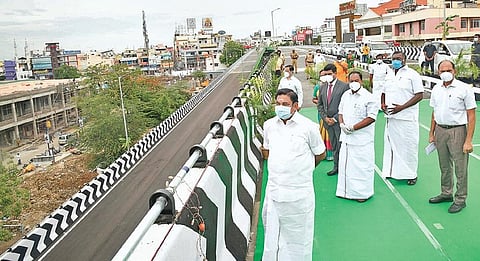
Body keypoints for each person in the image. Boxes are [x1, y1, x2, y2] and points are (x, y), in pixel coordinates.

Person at [262, 88, 326, 260]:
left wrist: (302, 170)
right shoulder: (268, 126)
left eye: (285, 104)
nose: (280, 107)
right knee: (272, 234)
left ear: (295, 106)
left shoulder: (309, 127)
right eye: (278, 104)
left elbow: (321, 153)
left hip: (299, 192)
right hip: (275, 190)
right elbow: (266, 151)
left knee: (299, 237)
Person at [428, 60, 476, 213]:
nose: (445, 73)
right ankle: (446, 193)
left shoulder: (464, 89)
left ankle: (460, 199)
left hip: (457, 131)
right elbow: (434, 113)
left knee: (460, 167)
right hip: (440, 130)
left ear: (454, 71)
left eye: (448, 69)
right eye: (442, 70)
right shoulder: (436, 89)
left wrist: (468, 140)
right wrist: (431, 133)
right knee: (444, 165)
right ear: (438, 72)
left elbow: (472, 116)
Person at [381, 51, 423, 185]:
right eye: (394, 59)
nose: (396, 61)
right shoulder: (389, 74)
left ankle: (411, 174)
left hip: (407, 118)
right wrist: (382, 103)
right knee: (391, 146)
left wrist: (402, 107)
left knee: (408, 147)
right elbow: (383, 91)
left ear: (404, 59)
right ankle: (391, 171)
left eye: (398, 58)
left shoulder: (412, 75)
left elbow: (419, 95)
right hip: (391, 118)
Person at [337, 71, 377, 202]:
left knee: (361, 168)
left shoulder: (369, 97)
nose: (353, 83)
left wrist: (354, 128)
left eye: (356, 80)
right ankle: (345, 191)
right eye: (351, 81)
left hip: (362, 140)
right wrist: (342, 124)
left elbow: (371, 117)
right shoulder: (345, 95)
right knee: (346, 166)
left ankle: (362, 194)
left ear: (361, 81)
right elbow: (340, 111)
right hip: (347, 139)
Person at [317, 63, 350, 176]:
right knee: (334, 146)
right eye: (325, 74)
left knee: (342, 146)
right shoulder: (323, 87)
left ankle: (345, 167)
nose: (327, 76)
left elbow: (346, 105)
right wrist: (325, 118)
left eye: (329, 74)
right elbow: (320, 105)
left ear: (335, 73)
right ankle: (336, 167)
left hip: (339, 122)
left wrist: (335, 118)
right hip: (328, 123)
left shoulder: (344, 86)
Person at [313, 69, 334, 161]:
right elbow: (314, 99)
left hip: (332, 113)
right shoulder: (318, 87)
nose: (324, 76)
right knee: (323, 131)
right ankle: (324, 152)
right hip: (322, 113)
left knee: (331, 132)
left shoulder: (333, 86)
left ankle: (332, 153)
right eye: (322, 75)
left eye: (326, 74)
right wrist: (321, 103)